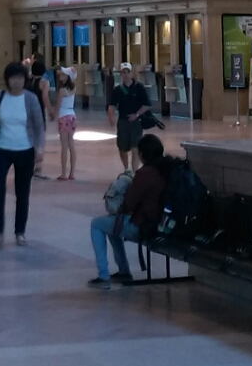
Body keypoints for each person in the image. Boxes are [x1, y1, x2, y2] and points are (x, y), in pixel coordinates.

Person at [88, 133, 171, 289]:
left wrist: (119, 207)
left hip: (142, 226)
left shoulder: (145, 174)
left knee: (97, 224)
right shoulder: (166, 171)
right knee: (111, 225)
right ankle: (123, 270)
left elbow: (129, 204)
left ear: (142, 154)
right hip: (161, 224)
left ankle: (104, 275)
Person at [0, 62, 45, 248]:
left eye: (20, 77)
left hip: (25, 149)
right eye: (13, 78)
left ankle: (20, 232)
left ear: (25, 79)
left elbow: (39, 125)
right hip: (1, 149)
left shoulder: (30, 98)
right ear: (7, 80)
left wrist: (39, 148)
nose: (16, 81)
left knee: (22, 193)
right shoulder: (0, 97)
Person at [109, 63, 156, 172]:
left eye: (127, 72)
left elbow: (147, 105)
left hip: (136, 123)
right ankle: (126, 169)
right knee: (122, 148)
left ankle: (134, 172)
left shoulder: (139, 87)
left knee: (135, 147)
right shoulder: (117, 90)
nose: (126, 75)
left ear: (131, 73)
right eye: (123, 72)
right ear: (120, 74)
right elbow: (112, 105)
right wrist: (111, 116)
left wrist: (137, 114)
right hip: (123, 122)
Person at [27, 53, 53, 177]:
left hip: (27, 112)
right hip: (39, 112)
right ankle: (38, 168)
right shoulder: (44, 82)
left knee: (30, 138)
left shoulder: (27, 81)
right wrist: (51, 111)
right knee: (40, 138)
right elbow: (45, 98)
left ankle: (29, 166)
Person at [54, 73, 79, 180]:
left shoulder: (62, 90)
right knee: (71, 144)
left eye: (63, 74)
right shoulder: (73, 88)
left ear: (67, 77)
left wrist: (53, 114)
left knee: (64, 146)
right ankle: (72, 173)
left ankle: (64, 173)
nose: (61, 75)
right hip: (72, 116)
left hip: (63, 117)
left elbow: (58, 105)